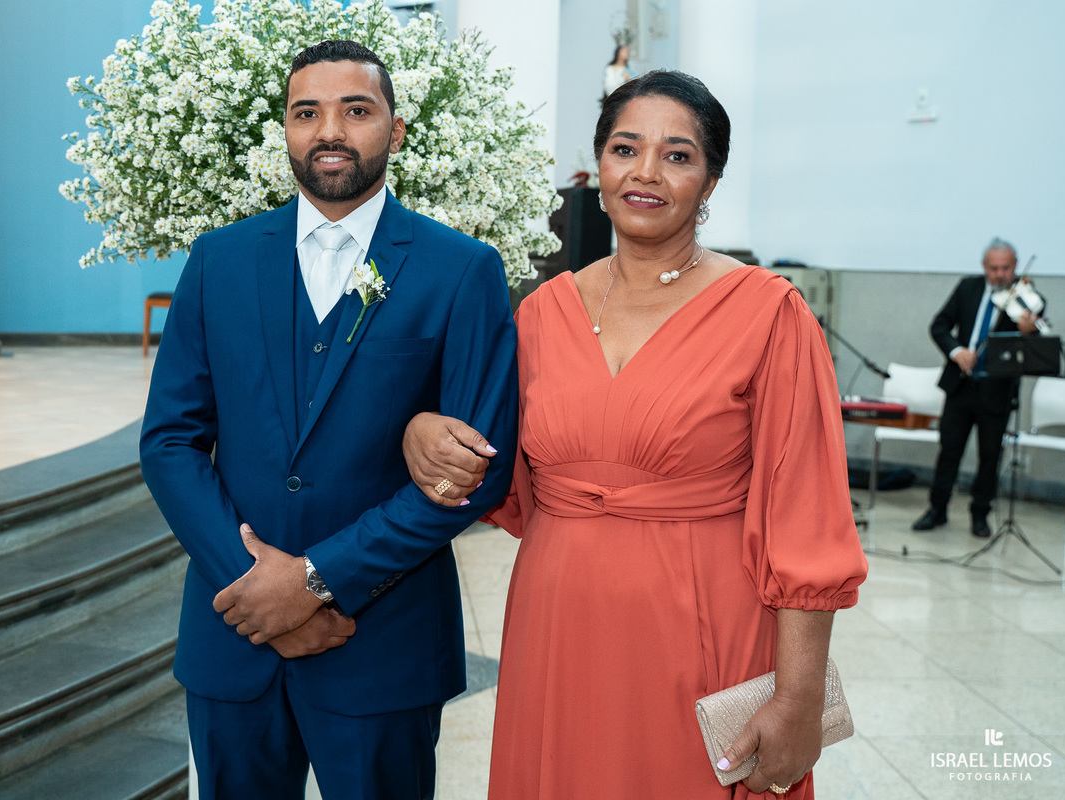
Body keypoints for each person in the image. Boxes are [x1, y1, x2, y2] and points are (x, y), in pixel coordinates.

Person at [403, 70, 868, 798]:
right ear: (599, 166)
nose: (647, 172)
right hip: (555, 626)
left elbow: (805, 521)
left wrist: (799, 698)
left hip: (701, 626)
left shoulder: (768, 313)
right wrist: (423, 429)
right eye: (626, 148)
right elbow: (502, 478)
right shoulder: (541, 313)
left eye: (678, 155)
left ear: (710, 181)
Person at [139, 40, 518, 800]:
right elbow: (170, 438)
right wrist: (258, 587)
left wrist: (316, 581)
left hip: (382, 641)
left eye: (356, 110)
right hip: (235, 632)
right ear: (284, 129)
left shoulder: (460, 269)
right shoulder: (219, 260)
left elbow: (480, 468)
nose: (329, 130)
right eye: (306, 112)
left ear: (398, 130)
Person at [912, 238, 1040, 538]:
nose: (999, 275)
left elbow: (1033, 348)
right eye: (993, 268)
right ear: (984, 267)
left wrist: (1027, 333)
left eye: (1006, 268)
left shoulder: (1028, 299)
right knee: (949, 451)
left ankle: (980, 514)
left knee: (990, 456)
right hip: (961, 386)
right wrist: (957, 352)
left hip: (997, 390)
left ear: (1015, 266)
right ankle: (937, 509)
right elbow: (939, 326)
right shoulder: (968, 288)